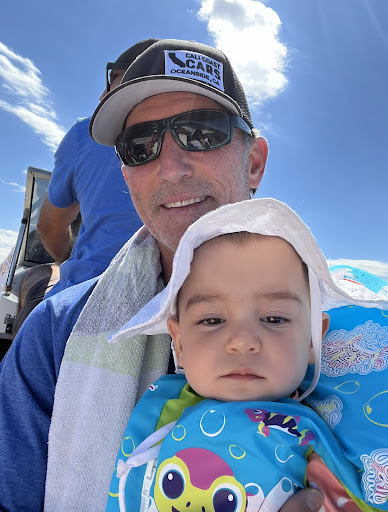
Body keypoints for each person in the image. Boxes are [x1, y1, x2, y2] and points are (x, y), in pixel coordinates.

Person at [0, 38, 347, 512]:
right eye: (140, 146)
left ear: (255, 162)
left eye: (201, 133)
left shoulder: (354, 329)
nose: (170, 168)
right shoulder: (54, 334)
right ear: (126, 175)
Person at [105, 198, 388, 512]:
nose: (242, 342)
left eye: (274, 319)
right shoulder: (157, 415)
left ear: (312, 341)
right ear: (179, 344)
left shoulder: (311, 438)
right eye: (212, 320)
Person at [35, 40, 159, 298]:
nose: (101, 96)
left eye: (113, 82)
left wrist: (67, 259)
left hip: (90, 292)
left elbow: (48, 227)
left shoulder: (85, 132)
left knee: (36, 286)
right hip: (185, 298)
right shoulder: (200, 140)